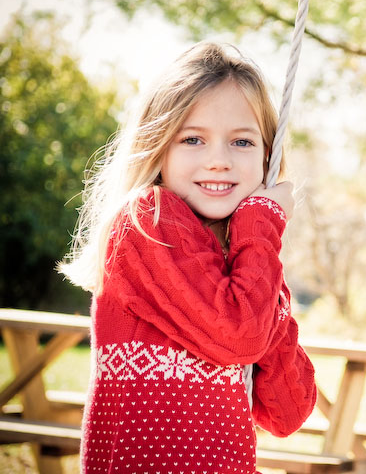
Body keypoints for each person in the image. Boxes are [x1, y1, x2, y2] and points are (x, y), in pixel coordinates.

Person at [60, 41, 317, 474]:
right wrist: (262, 227)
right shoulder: (146, 220)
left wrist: (257, 253)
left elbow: (288, 411)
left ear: (267, 156)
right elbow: (239, 336)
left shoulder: (249, 256)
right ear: (158, 146)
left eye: (241, 141)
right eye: (193, 139)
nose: (218, 161)